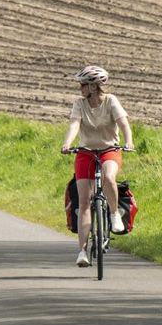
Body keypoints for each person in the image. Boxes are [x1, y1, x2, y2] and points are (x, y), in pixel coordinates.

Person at [58, 64, 134, 267]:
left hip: (109, 150)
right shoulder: (79, 104)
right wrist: (67, 143)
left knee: (109, 177)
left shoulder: (111, 101)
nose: (80, 88)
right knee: (83, 202)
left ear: (93, 86)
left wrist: (128, 141)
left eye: (82, 85)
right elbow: (74, 124)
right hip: (85, 152)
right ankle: (82, 251)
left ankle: (114, 212)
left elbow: (123, 123)